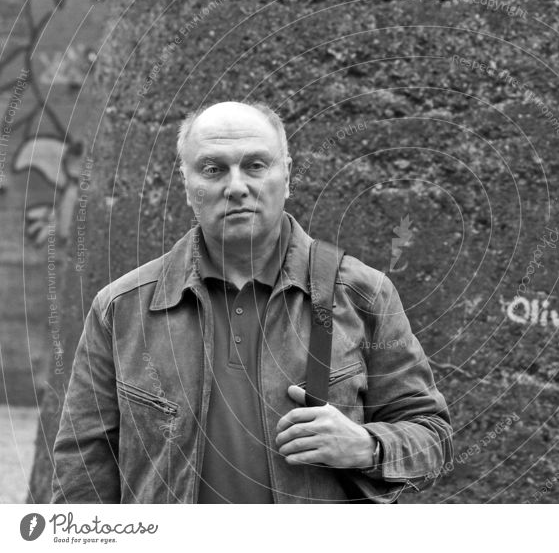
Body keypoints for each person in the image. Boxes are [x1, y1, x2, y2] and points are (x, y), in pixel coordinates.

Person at [51, 101, 453, 504]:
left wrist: (367, 446)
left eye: (256, 165)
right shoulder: (121, 308)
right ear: (187, 184)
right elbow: (82, 469)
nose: (237, 186)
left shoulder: (362, 294)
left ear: (288, 176)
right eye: (213, 168)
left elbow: (433, 436)